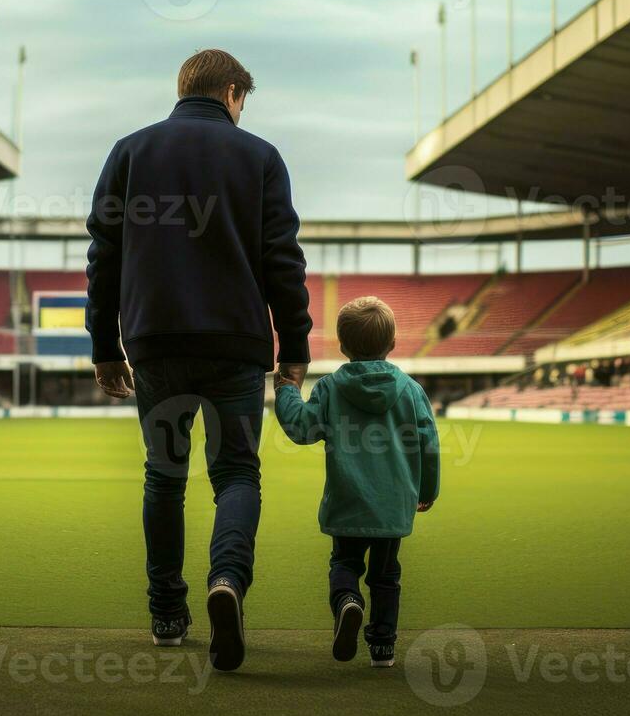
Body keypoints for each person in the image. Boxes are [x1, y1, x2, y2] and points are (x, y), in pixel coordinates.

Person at [85, 49, 312, 672]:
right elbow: (282, 260)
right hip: (235, 345)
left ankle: (165, 615)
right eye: (244, 100)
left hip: (155, 343)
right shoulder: (260, 157)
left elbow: (103, 255)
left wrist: (104, 344)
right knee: (237, 474)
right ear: (233, 93)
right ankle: (227, 584)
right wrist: (294, 347)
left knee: (164, 476)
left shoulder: (128, 153)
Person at [273, 296, 440, 669]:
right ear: (392, 344)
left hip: (348, 500)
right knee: (386, 576)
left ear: (344, 346)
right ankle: (383, 647)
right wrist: (427, 491)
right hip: (392, 504)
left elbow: (301, 428)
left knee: (344, 563)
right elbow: (428, 445)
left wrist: (285, 388)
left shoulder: (330, 389)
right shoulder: (411, 391)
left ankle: (348, 602)